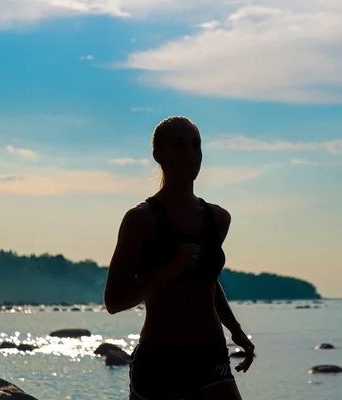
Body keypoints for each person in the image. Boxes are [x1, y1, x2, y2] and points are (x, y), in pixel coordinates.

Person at [104, 116, 255, 400]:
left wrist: (235, 330)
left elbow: (207, 283)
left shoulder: (218, 219)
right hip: (160, 362)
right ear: (158, 155)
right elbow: (114, 301)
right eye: (178, 145)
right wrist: (167, 268)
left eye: (196, 145)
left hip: (211, 358)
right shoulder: (141, 220)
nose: (191, 153)